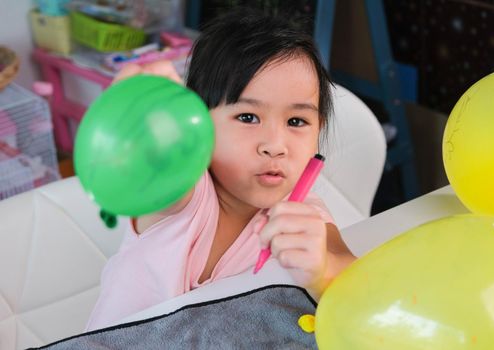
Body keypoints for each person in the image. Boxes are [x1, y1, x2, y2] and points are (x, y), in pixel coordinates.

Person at [86, 8, 356, 331]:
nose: (275, 145)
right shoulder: (187, 193)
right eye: (247, 117)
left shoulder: (302, 214)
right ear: (199, 122)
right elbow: (153, 165)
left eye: (296, 122)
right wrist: (146, 119)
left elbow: (352, 273)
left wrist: (323, 268)